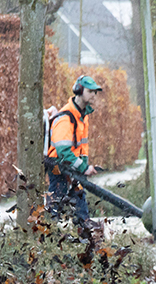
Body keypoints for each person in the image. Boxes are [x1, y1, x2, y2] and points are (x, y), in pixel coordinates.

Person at [46, 75, 102, 228]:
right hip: (58, 166)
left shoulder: (82, 116)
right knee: (56, 202)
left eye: (95, 92)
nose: (93, 95)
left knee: (79, 199)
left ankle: (84, 231)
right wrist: (84, 168)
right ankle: (48, 233)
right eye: (90, 91)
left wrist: (83, 167)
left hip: (71, 167)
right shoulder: (66, 118)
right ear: (79, 90)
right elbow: (63, 151)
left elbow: (81, 148)